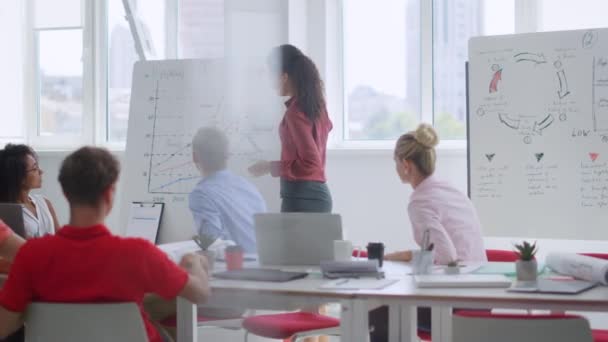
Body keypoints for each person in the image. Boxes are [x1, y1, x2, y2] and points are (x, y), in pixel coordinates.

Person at [0, 147, 210, 342]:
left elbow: (4, 326)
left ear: (65, 193)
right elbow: (200, 294)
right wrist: (193, 263)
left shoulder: (30, 256)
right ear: (109, 193)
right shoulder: (138, 252)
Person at [369, 124, 487, 342]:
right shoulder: (448, 189)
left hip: (457, 302)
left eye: (395, 163)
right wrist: (400, 256)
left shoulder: (420, 201)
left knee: (378, 306)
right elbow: (443, 251)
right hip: (482, 298)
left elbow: (447, 257)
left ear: (406, 165)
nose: (395, 169)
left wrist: (404, 257)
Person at [248, 44, 333, 213]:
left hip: (301, 197)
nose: (270, 82)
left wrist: (268, 167)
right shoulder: (317, 106)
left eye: (270, 75)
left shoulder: (296, 113)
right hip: (314, 195)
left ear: (284, 76)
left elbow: (310, 163)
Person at [190, 127, 266, 253]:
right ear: (227, 155)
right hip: (262, 265)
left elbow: (209, 242)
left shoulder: (201, 194)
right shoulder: (247, 186)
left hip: (235, 268)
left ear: (195, 157)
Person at [0, 144, 60, 238]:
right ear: (19, 177)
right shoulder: (7, 213)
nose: (41, 172)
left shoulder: (44, 202)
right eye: (34, 168)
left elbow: (59, 238)